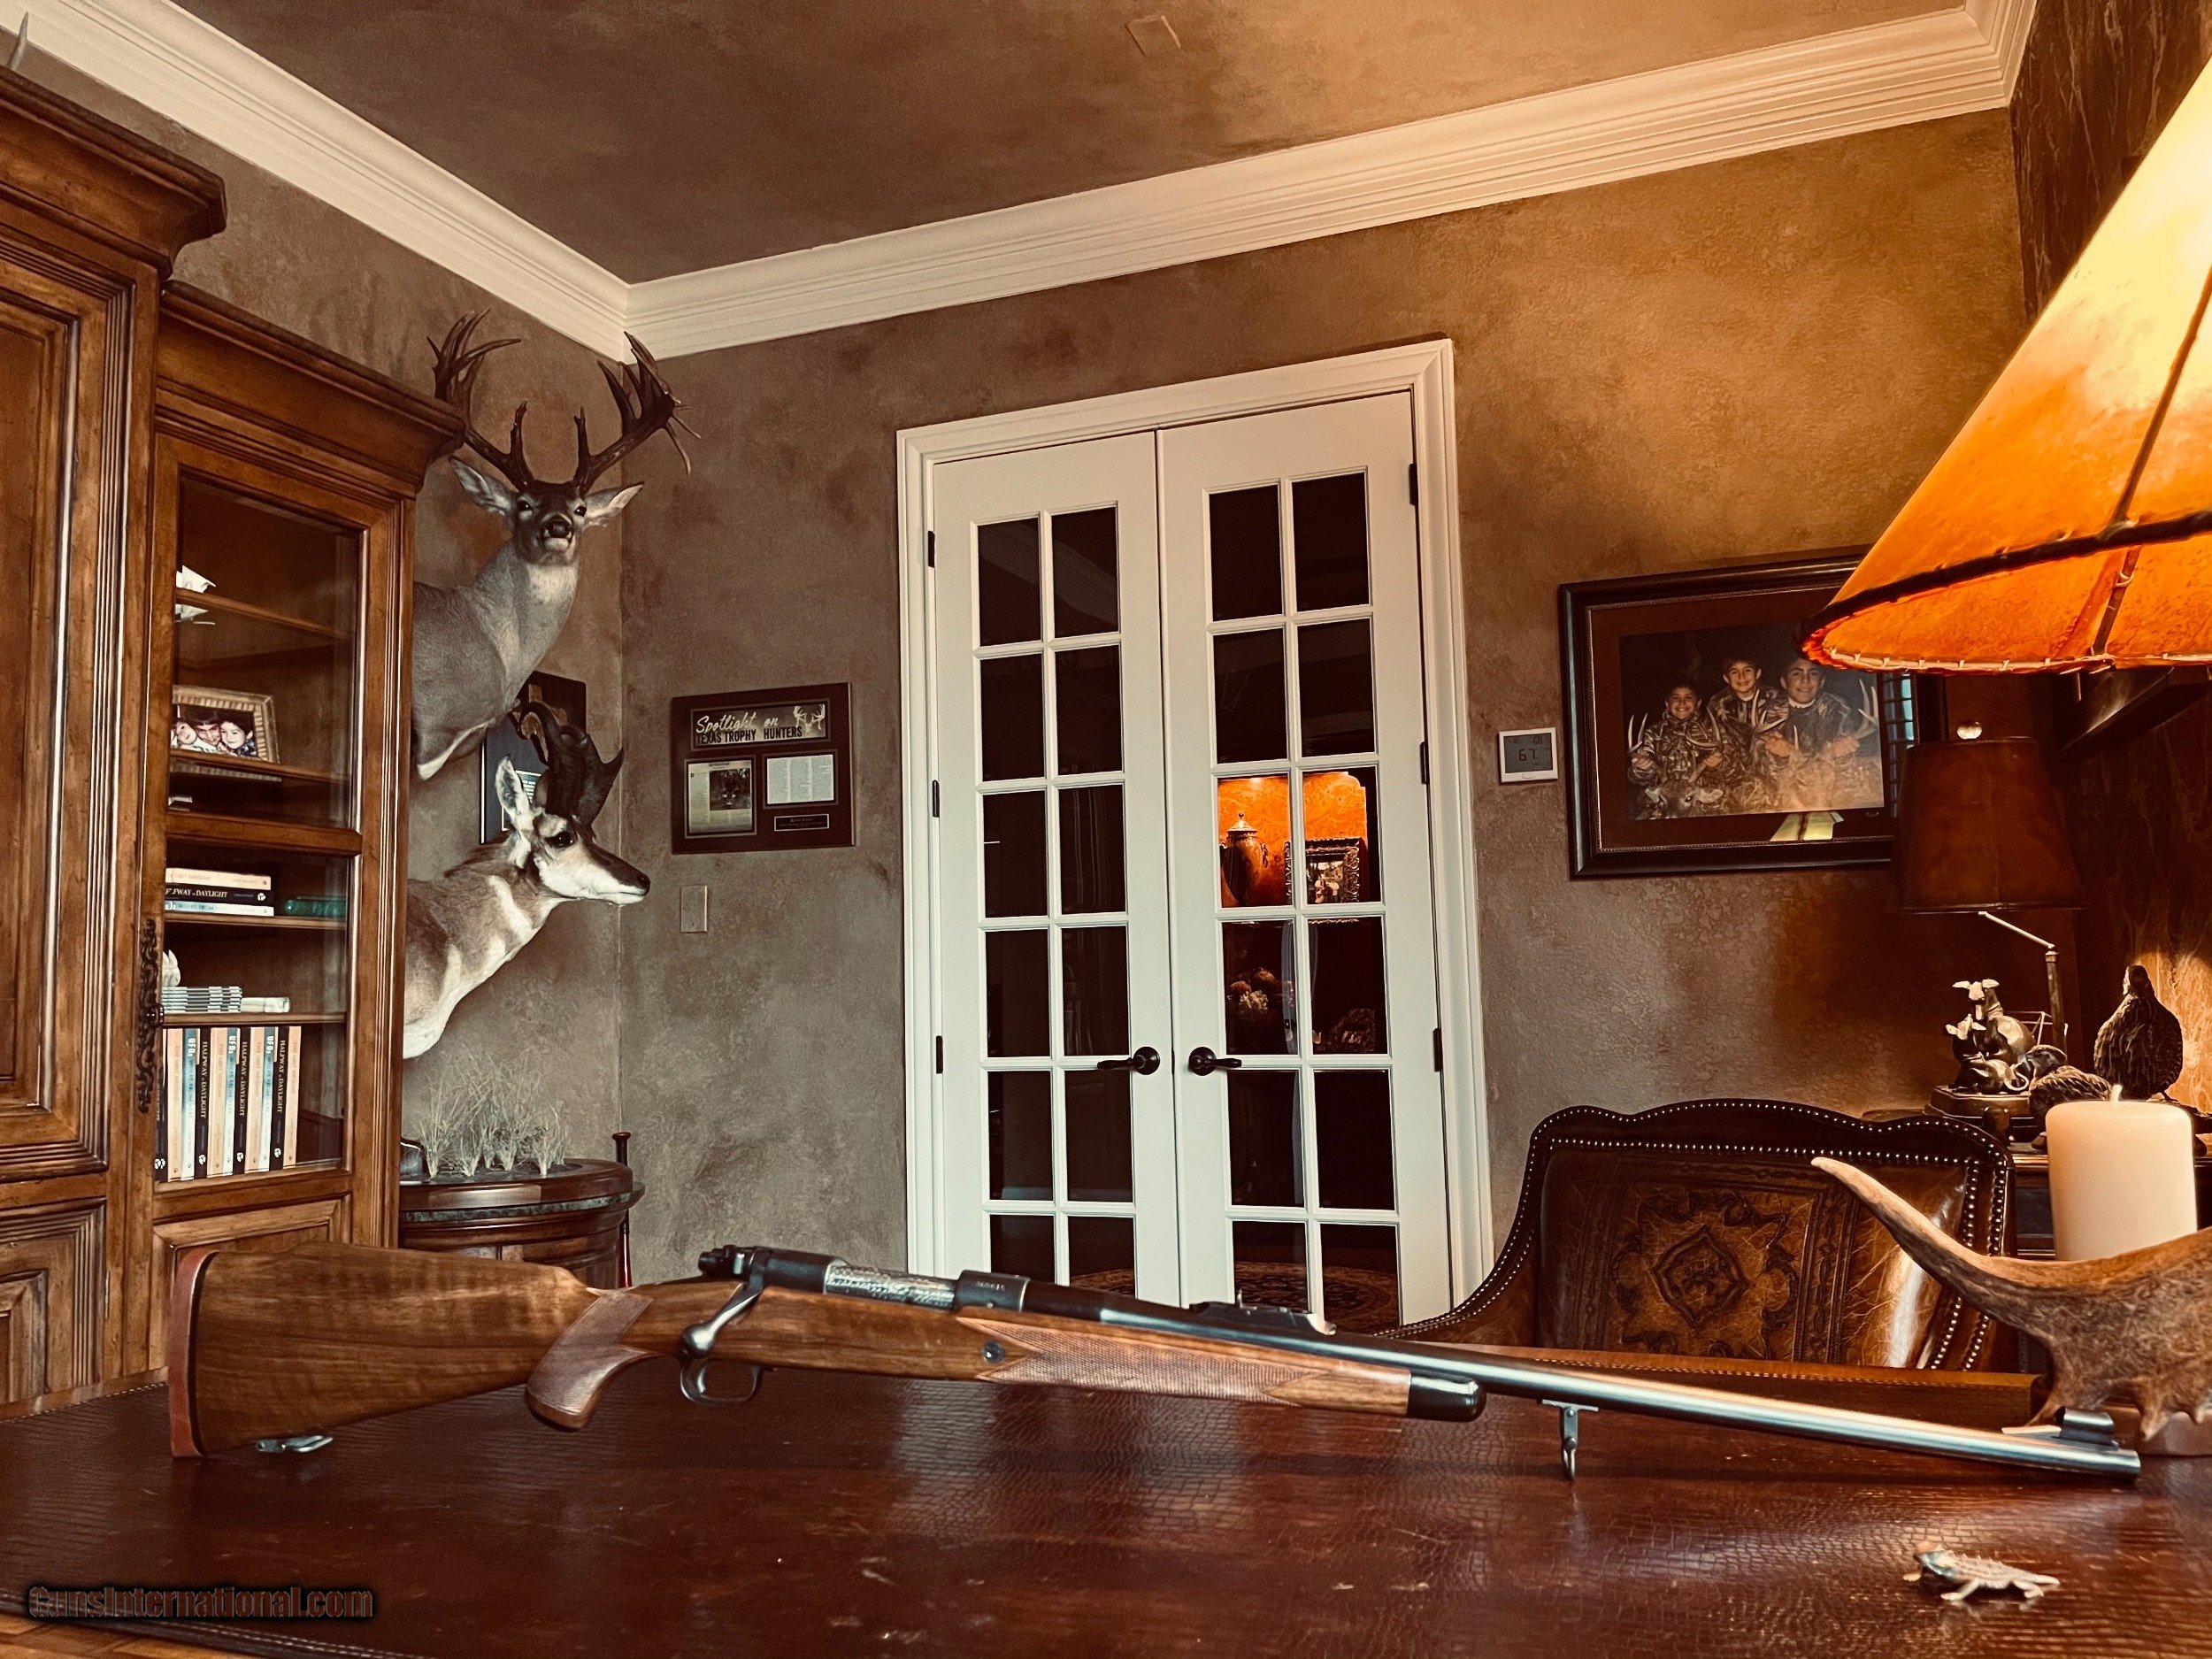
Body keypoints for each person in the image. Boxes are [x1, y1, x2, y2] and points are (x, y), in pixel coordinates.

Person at [1762, 657, 1880, 810]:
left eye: (1813, 674)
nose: (1805, 680)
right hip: (1785, 789)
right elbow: (1757, 761)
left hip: (1827, 787)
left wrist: (1843, 752)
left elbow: (1852, 751)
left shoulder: (1837, 708)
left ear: (1822, 682)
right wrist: (1779, 756)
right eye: (1797, 674)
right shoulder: (1767, 713)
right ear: (1784, 683)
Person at [1627, 683, 1727, 818]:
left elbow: (1736, 768)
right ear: (1667, 704)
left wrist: (1720, 763)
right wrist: (1642, 768)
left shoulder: (1713, 732)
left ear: (1698, 703)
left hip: (1700, 799)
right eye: (1676, 698)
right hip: (1663, 802)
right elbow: (1640, 778)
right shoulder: (1654, 733)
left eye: (1688, 698)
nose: (1682, 703)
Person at [1706, 657, 1786, 810]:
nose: (1741, 677)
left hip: (1771, 772)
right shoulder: (1718, 704)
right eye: (1734, 672)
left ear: (1758, 674)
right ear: (1726, 678)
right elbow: (1715, 741)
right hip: (1735, 774)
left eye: (1747, 670)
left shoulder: (1775, 697)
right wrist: (1716, 758)